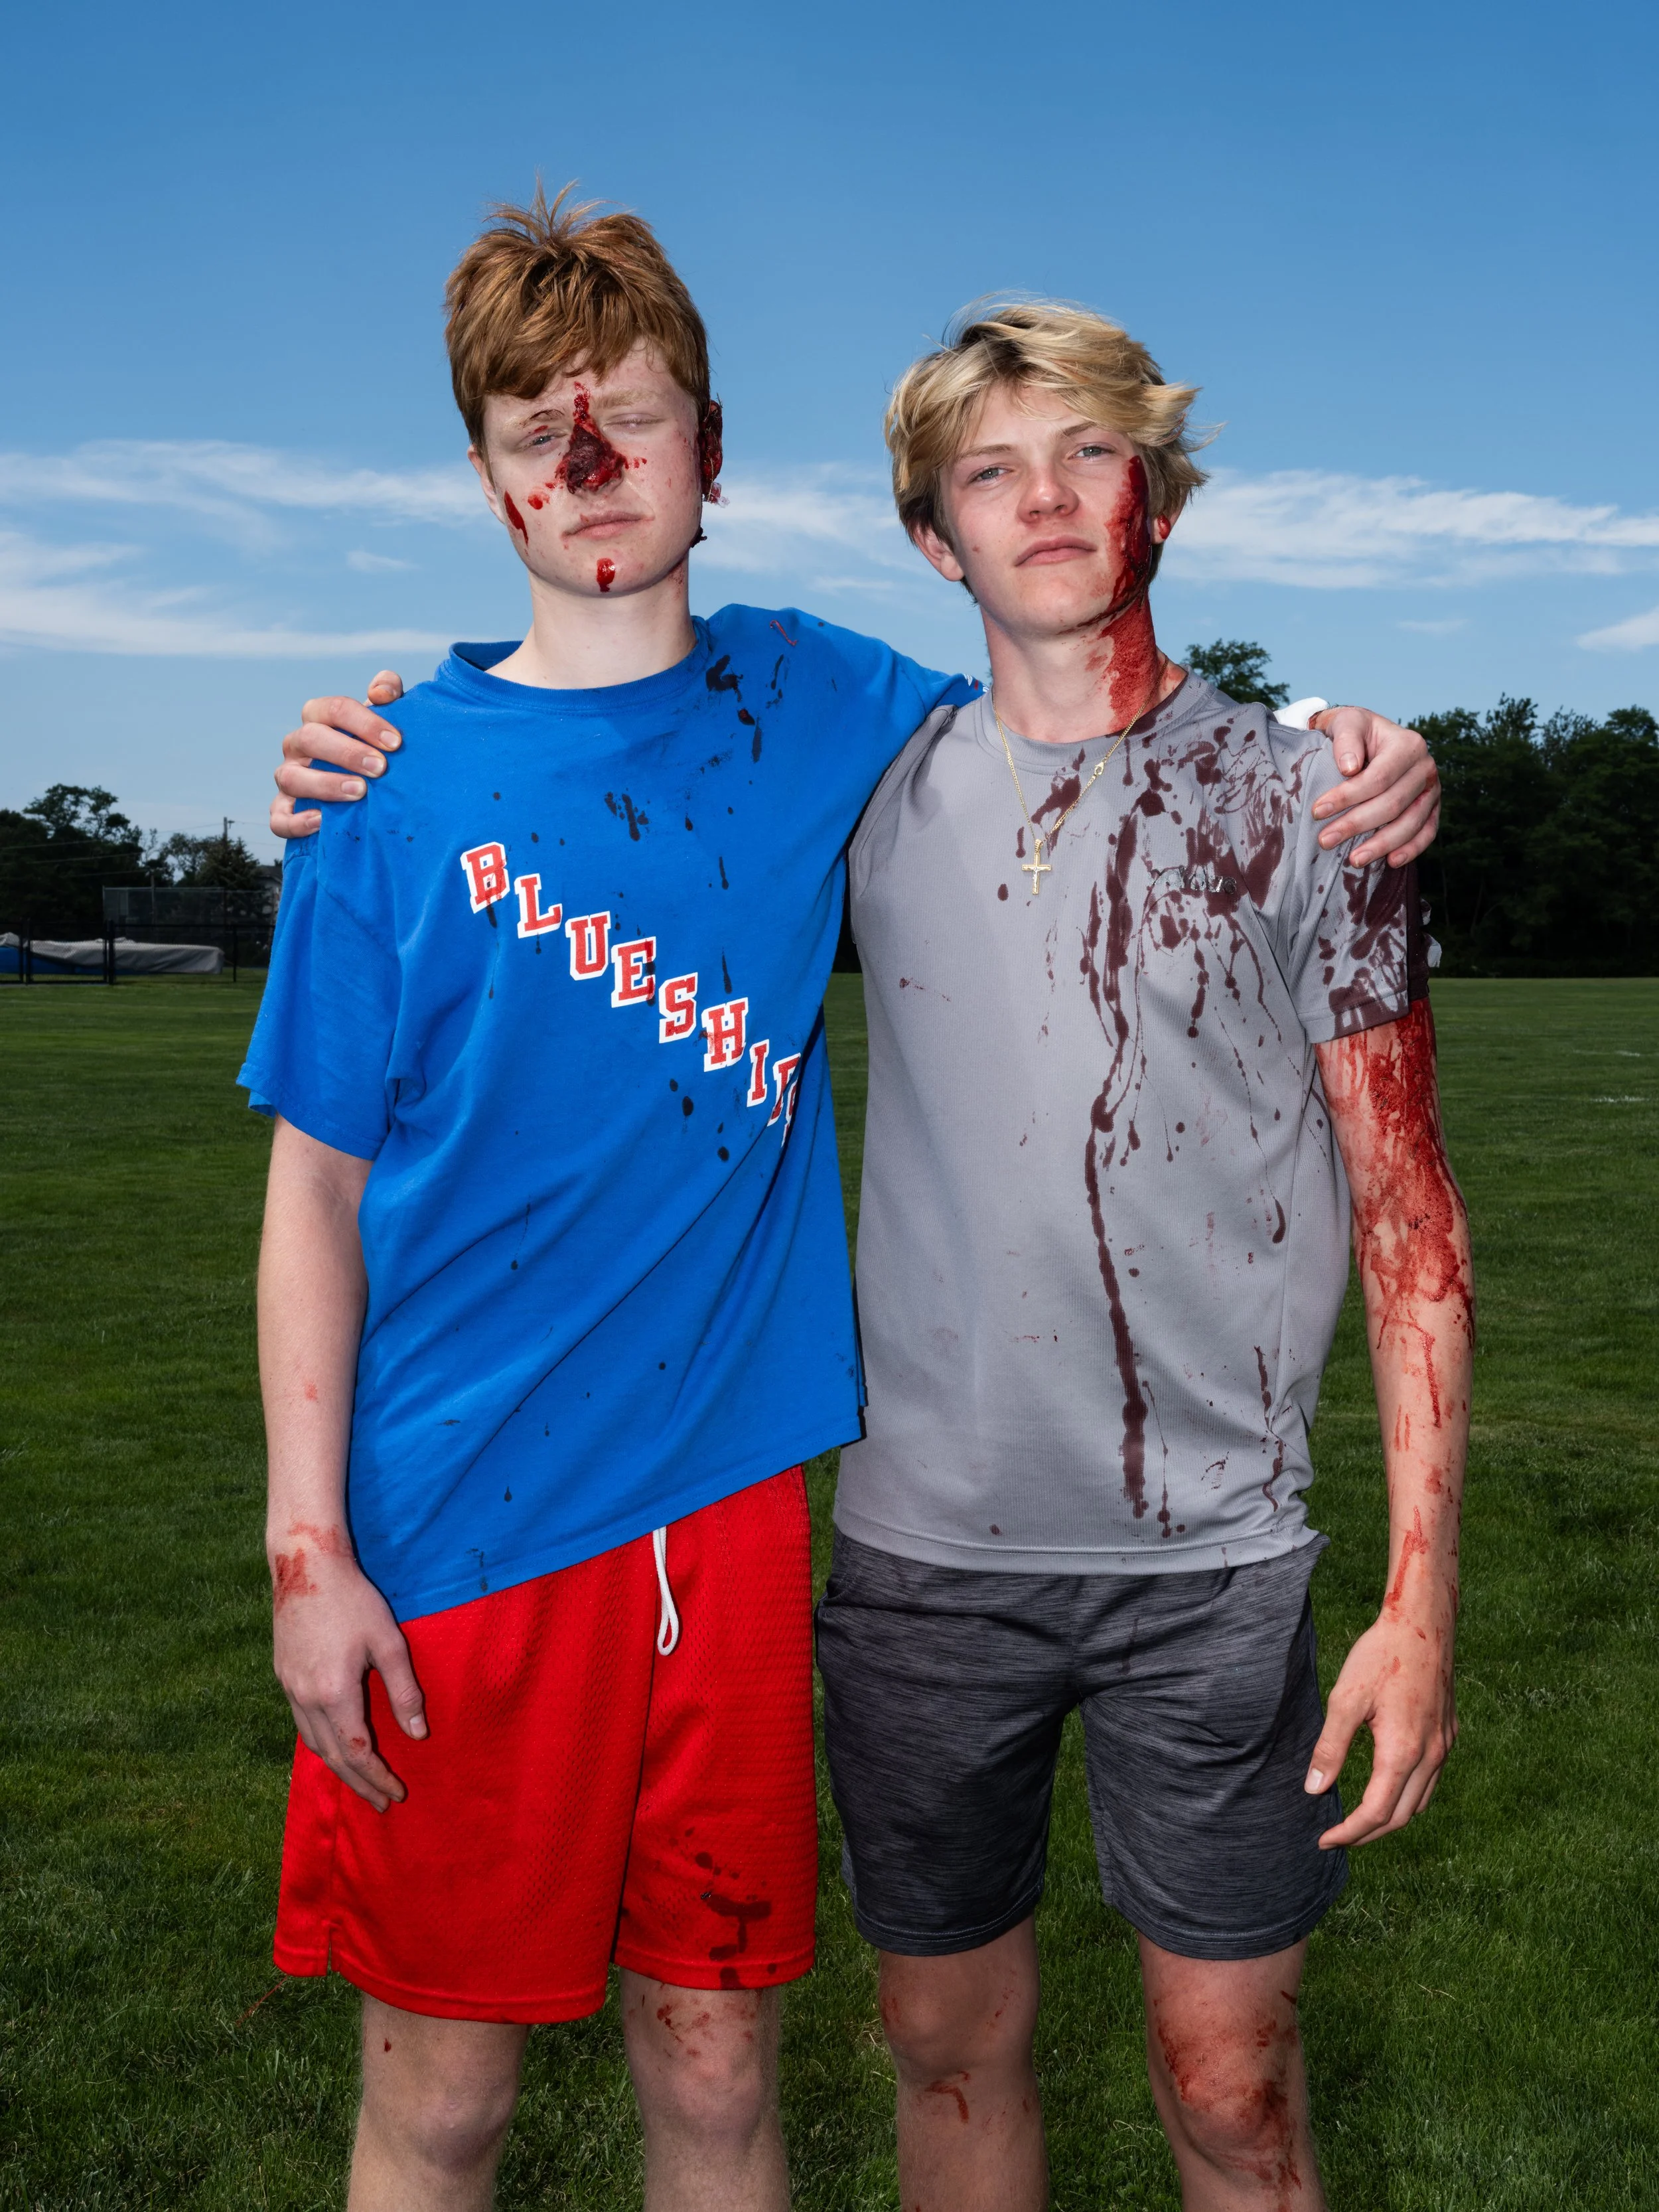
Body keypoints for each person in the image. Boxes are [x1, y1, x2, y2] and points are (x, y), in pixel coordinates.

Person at [257, 193, 1441, 2209]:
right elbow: (308, 1191)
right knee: (439, 2101)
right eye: (538, 434)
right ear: (479, 477)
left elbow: (1079, 690)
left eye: (630, 419)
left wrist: (1362, 738)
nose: (589, 467)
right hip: (455, 1514)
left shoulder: (833, 712)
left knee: (722, 2071)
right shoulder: (385, 783)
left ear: (711, 449)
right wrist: (304, 1538)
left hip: (731, 1512)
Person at [810, 303, 1471, 2211]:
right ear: (934, 537)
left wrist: (1417, 1603)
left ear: (1156, 497)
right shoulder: (867, 796)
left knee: (1229, 2091)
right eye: (990, 469)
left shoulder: (1312, 802)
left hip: (1216, 1566)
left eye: (1088, 452)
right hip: (926, 1556)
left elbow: (1412, 1220)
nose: (1044, 499)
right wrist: (374, 743)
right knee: (946, 2050)